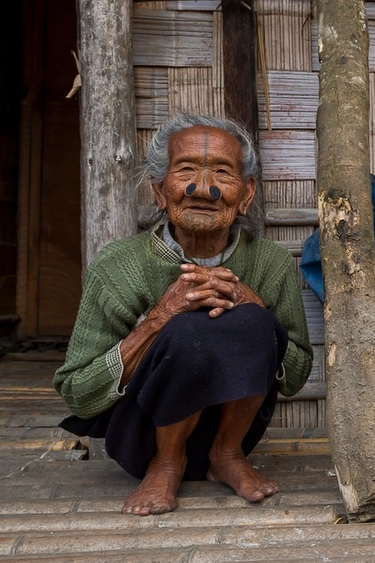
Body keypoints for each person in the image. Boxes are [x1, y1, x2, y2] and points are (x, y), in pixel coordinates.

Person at [54, 114, 313, 516]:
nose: (203, 188)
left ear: (246, 194)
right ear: (160, 191)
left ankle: (226, 455)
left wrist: (255, 306)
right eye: (186, 170)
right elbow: (77, 391)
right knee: (187, 329)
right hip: (143, 436)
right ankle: (166, 463)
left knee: (255, 319)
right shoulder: (117, 265)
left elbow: (295, 377)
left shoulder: (271, 263)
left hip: (232, 433)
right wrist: (159, 319)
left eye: (222, 173)